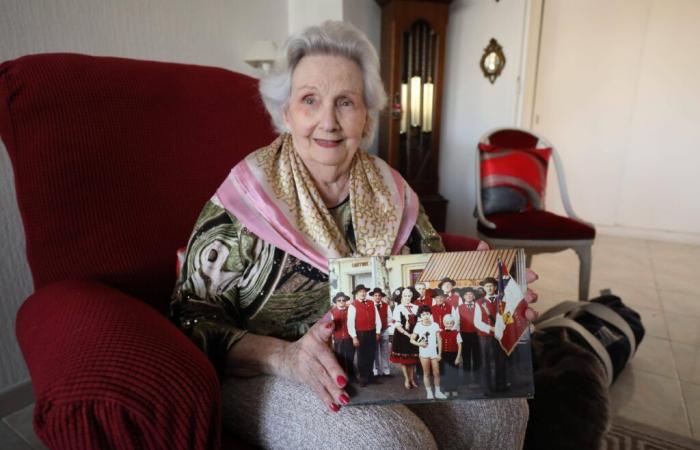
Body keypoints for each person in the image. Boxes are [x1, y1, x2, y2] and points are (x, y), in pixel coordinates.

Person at [169, 20, 539, 449]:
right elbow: (189, 320)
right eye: (310, 100)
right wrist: (282, 357)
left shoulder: (392, 191)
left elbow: (436, 290)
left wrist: (500, 310)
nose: (328, 121)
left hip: (384, 361)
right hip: (268, 372)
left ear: (365, 118)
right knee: (392, 442)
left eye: (345, 102)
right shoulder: (246, 196)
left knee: (503, 409)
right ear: (286, 113)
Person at [475, 277, 508, 393]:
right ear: (484, 288)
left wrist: (502, 328)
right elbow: (477, 322)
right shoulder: (479, 302)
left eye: (491, 286)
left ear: (495, 287)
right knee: (486, 362)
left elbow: (507, 317)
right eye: (487, 286)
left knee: (501, 360)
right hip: (485, 336)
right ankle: (487, 388)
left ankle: (501, 386)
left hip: (500, 336)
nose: (489, 288)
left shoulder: (502, 301)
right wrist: (492, 328)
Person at [347, 284, 381, 386]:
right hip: (360, 333)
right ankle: (363, 378)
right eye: (360, 292)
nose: (363, 293)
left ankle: (370, 376)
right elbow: (350, 323)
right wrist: (354, 337)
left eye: (364, 291)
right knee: (362, 356)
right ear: (357, 294)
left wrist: (378, 331)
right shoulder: (353, 306)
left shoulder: (371, 303)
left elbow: (377, 319)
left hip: (372, 332)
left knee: (371, 355)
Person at [411, 305, 446, 400]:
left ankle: (438, 392)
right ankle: (429, 392)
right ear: (420, 316)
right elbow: (412, 340)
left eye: (427, 314)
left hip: (434, 353)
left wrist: (439, 354)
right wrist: (420, 344)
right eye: (423, 315)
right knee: (426, 373)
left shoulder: (435, 325)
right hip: (424, 353)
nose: (425, 316)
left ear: (430, 314)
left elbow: (439, 340)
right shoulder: (418, 326)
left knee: (437, 373)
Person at [390, 287, 420, 389]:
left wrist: (415, 335)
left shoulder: (416, 308)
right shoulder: (398, 308)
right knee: (404, 360)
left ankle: (412, 379)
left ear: (412, 296)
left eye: (409, 296)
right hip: (402, 336)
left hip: (414, 335)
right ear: (401, 297)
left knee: (412, 359)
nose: (407, 298)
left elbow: (419, 322)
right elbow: (397, 326)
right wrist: (408, 335)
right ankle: (406, 379)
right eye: (405, 296)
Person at [455, 287, 481, 384]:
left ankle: (477, 379)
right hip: (464, 334)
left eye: (471, 294)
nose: (469, 296)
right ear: (463, 296)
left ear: (474, 296)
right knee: (466, 357)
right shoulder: (459, 307)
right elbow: (457, 321)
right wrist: (458, 334)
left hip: (477, 334)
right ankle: (466, 380)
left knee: (477, 357)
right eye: (467, 295)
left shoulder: (478, 306)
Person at [330, 292, 355, 381]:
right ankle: (342, 378)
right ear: (336, 302)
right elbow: (326, 326)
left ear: (346, 301)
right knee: (340, 359)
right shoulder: (331, 312)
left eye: (343, 300)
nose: (341, 302)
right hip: (338, 339)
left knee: (350, 358)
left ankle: (352, 377)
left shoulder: (351, 310)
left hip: (349, 338)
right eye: (339, 300)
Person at [440, 315, 463, 397]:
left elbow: (460, 345)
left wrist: (458, 357)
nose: (449, 324)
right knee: (445, 372)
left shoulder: (457, 333)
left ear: (453, 323)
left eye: (450, 323)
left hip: (453, 355)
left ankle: (454, 389)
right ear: (444, 323)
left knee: (454, 372)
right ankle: (447, 389)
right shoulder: (440, 333)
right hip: (444, 355)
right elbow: (438, 345)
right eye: (447, 323)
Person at [371, 287, 392, 377]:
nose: (377, 297)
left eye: (379, 295)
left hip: (384, 331)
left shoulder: (386, 306)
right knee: (375, 351)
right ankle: (376, 371)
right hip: (374, 332)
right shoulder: (370, 305)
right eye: (375, 295)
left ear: (381, 297)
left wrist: (385, 324)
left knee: (385, 351)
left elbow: (390, 318)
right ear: (373, 296)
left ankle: (386, 370)